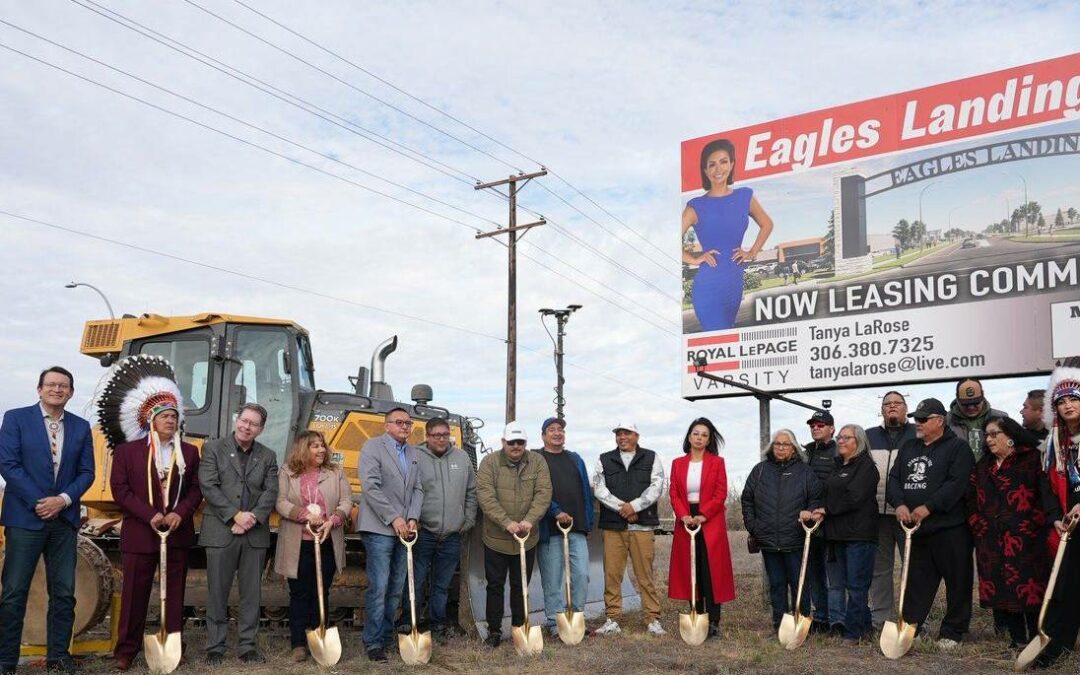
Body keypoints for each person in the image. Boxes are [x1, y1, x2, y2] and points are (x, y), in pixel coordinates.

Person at [0, 367, 95, 675]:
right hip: (25, 519)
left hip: (63, 521)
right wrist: (40, 502)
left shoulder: (81, 427)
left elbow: (87, 473)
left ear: (71, 392)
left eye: (63, 386)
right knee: (14, 591)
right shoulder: (15, 419)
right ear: (39, 389)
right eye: (51, 384)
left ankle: (58, 656)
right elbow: (8, 464)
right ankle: (6, 659)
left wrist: (62, 501)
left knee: (64, 593)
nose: (57, 389)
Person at [109, 389, 202, 672]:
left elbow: (196, 489)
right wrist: (150, 514)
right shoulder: (127, 452)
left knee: (174, 594)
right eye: (165, 416)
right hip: (140, 533)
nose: (171, 420)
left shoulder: (188, 452)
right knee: (134, 594)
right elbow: (120, 490)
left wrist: (179, 513)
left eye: (174, 416)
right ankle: (126, 650)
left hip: (175, 533)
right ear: (152, 420)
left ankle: (172, 645)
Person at [886, 397, 975, 650]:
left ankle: (953, 631)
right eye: (917, 418)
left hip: (951, 528)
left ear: (940, 420)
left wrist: (929, 507)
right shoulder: (909, 447)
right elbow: (894, 479)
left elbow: (956, 484)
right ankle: (912, 626)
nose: (918, 423)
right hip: (918, 530)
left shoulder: (958, 448)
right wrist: (899, 504)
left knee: (957, 581)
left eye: (924, 419)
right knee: (917, 580)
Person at [965, 416, 1059, 650]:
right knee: (1004, 588)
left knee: (1030, 588)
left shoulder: (1032, 460)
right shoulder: (983, 466)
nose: (989, 439)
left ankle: (1038, 638)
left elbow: (1045, 495)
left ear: (1010, 436)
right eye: (987, 435)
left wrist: (1035, 523)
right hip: (991, 540)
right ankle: (1016, 639)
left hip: (1027, 538)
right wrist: (978, 523)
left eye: (994, 433)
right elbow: (970, 500)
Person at [199, 403, 279, 665]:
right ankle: (215, 647)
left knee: (251, 594)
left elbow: (270, 493)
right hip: (221, 531)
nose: (246, 426)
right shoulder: (213, 448)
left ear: (261, 429)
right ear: (237, 420)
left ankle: (247, 646)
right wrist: (235, 515)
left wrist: (251, 518)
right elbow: (209, 486)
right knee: (217, 592)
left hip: (253, 534)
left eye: (253, 424)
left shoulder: (268, 456)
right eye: (244, 420)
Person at [274, 430, 352, 663]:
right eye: (314, 446)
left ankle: (318, 634)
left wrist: (333, 519)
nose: (320, 450)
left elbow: (346, 501)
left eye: (322, 446)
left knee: (322, 591)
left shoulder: (335, 473)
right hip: (298, 543)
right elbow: (280, 502)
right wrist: (303, 515)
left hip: (326, 540)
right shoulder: (287, 472)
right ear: (302, 449)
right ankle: (298, 642)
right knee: (299, 593)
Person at [682, 138, 774, 331]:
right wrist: (694, 259)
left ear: (732, 164)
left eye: (723, 162)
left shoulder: (744, 197)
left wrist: (752, 252)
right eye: (712, 165)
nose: (718, 169)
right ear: (705, 170)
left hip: (734, 284)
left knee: (727, 341)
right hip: (709, 287)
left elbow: (767, 224)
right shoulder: (695, 207)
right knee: (719, 338)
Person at [475, 422, 552, 648]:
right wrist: (506, 522)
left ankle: (520, 627)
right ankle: (494, 631)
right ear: (503, 442)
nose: (516, 446)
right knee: (495, 585)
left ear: (525, 444)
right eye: (511, 442)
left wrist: (529, 520)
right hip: (496, 538)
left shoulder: (537, 462)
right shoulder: (489, 463)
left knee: (521, 585)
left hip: (526, 539)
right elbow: (486, 496)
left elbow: (543, 492)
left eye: (520, 442)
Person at [357, 407, 423, 662]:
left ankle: (385, 637)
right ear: (387, 426)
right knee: (380, 586)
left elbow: (418, 489)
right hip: (379, 528)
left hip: (405, 529)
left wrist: (413, 517)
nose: (405, 426)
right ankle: (373, 642)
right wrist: (394, 517)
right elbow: (370, 486)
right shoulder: (372, 448)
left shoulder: (413, 452)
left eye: (408, 423)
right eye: (399, 422)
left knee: (396, 587)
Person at [741, 429, 822, 631]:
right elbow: (747, 499)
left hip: (795, 539)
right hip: (768, 540)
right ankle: (779, 625)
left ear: (793, 448)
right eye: (777, 444)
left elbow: (815, 499)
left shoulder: (805, 472)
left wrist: (810, 512)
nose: (780, 448)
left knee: (799, 584)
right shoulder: (760, 470)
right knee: (776, 585)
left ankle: (802, 624)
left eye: (785, 444)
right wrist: (754, 526)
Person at [591, 420, 667, 636]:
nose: (622, 437)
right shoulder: (604, 459)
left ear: (636, 435)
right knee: (612, 574)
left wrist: (634, 506)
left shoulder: (651, 457)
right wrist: (622, 508)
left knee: (645, 575)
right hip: (613, 526)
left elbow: (657, 486)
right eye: (618, 434)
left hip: (642, 526)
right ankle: (612, 619)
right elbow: (598, 487)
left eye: (627, 433)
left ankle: (652, 618)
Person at [668, 418, 735, 639]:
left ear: (709, 440)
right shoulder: (678, 463)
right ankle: (696, 614)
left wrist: (703, 515)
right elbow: (675, 493)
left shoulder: (717, 462)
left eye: (704, 435)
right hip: (686, 520)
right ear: (689, 437)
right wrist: (684, 515)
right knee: (691, 569)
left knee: (710, 571)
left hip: (710, 520)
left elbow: (720, 493)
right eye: (696, 433)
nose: (699, 438)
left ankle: (714, 621)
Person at [814, 424, 879, 644]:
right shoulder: (836, 465)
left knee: (857, 585)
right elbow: (826, 493)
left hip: (858, 536)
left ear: (858, 442)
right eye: (840, 437)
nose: (841, 441)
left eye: (846, 438)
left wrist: (827, 509)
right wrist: (819, 509)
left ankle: (853, 633)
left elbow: (855, 497)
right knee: (842, 584)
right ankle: (866, 626)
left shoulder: (867, 467)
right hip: (836, 536)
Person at [414, 417, 477, 642]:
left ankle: (437, 625)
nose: (441, 439)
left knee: (442, 584)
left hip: (452, 533)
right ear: (427, 436)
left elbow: (472, 491)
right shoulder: (415, 457)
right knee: (416, 580)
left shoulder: (462, 457)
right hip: (423, 533)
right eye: (435, 435)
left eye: (444, 435)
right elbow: (407, 491)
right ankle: (409, 623)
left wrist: (467, 520)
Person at [1036, 365, 1080, 669]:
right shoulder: (1054, 444)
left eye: (1073, 399)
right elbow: (1046, 486)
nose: (1067, 405)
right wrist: (1054, 516)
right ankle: (1055, 644)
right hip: (1068, 525)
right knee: (1065, 586)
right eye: (1061, 402)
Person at [534, 417, 592, 638]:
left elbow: (585, 490)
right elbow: (538, 491)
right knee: (553, 579)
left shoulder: (575, 459)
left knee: (581, 574)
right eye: (552, 430)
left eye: (560, 430)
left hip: (576, 528)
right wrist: (555, 511)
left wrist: (586, 520)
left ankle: (576, 618)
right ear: (543, 435)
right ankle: (554, 622)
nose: (557, 433)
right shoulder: (537, 458)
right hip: (550, 529)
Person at [866, 391, 917, 630]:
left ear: (906, 408)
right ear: (882, 410)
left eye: (897, 403)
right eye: (887, 404)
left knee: (914, 568)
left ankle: (912, 619)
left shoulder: (917, 434)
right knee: (879, 570)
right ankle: (881, 620)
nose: (892, 407)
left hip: (908, 515)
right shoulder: (869, 436)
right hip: (876, 515)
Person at [803, 411, 837, 634]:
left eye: (821, 425)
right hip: (809, 523)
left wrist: (827, 510)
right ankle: (821, 617)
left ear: (831, 429)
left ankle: (837, 618)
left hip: (833, 521)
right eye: (813, 425)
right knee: (814, 573)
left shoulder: (839, 450)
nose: (816, 428)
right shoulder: (806, 452)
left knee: (834, 575)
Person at [946, 377, 1007, 461]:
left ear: (982, 395)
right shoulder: (945, 421)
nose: (971, 407)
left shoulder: (1001, 418)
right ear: (957, 398)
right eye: (966, 404)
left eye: (976, 402)